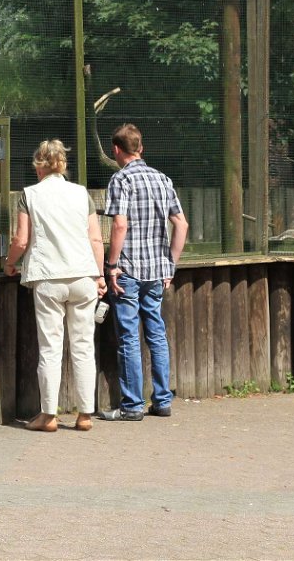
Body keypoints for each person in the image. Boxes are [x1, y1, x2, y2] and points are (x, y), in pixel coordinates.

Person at [4, 139, 104, 432]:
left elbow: (21, 240)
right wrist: (99, 275)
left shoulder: (29, 194)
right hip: (84, 276)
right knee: (83, 345)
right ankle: (85, 414)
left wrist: (10, 263)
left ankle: (48, 416)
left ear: (39, 166)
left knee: (50, 347)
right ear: (62, 164)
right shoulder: (80, 193)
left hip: (49, 277)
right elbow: (95, 238)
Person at [98, 123, 188, 422]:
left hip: (128, 271)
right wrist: (170, 265)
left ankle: (132, 406)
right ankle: (162, 401)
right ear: (141, 148)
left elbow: (119, 225)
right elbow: (182, 225)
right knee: (156, 334)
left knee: (129, 337)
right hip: (157, 272)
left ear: (116, 150)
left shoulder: (121, 180)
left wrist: (111, 266)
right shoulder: (163, 179)